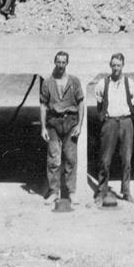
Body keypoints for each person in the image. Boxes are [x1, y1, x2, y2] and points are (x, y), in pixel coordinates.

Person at [39, 51, 86, 206]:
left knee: (71, 158)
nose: (60, 65)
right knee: (54, 158)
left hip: (70, 122)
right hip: (53, 123)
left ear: (67, 63)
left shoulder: (74, 81)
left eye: (63, 62)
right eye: (58, 62)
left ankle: (71, 192)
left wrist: (79, 124)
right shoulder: (47, 82)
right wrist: (43, 127)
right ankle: (54, 192)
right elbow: (43, 105)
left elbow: (80, 103)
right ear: (54, 62)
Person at [94, 53, 134, 204]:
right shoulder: (102, 83)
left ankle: (126, 191)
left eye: (118, 65)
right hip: (110, 122)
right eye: (113, 65)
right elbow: (99, 105)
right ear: (110, 66)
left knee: (126, 159)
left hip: (126, 122)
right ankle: (101, 191)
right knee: (105, 159)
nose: (116, 68)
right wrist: (105, 119)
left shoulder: (130, 83)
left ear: (123, 66)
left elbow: (132, 100)